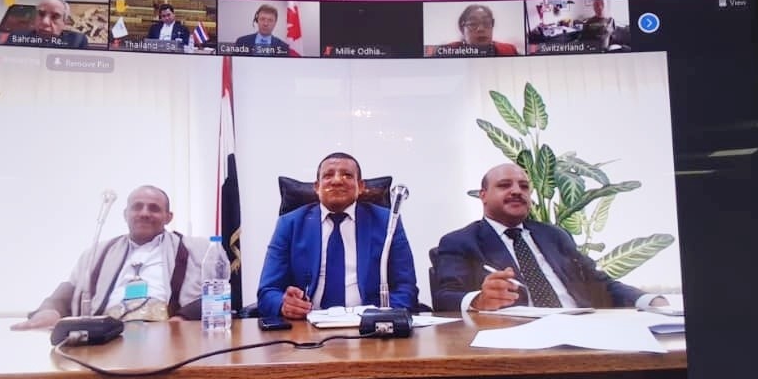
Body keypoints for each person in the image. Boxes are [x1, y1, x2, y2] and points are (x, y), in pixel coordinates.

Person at [434, 163, 668, 312]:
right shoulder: (460, 242)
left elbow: (598, 282)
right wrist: (479, 300)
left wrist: (648, 301)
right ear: (483, 195)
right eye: (505, 185)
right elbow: (444, 297)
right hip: (516, 337)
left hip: (582, 326)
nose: (516, 191)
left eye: (524, 186)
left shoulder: (555, 235)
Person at [11, 185, 211, 330]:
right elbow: (70, 290)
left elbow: (222, 294)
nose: (144, 213)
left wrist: (182, 319)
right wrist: (50, 311)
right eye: (137, 207)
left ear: (168, 217)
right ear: (125, 214)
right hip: (108, 336)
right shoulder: (98, 252)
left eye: (154, 208)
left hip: (168, 335)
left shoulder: (199, 249)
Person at [257, 152, 419, 319]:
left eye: (347, 175)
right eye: (328, 175)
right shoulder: (290, 224)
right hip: (307, 326)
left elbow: (406, 288)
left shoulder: (387, 222)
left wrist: (382, 318)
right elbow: (267, 292)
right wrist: (284, 304)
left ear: (360, 186)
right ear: (317, 187)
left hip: (369, 325)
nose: (337, 181)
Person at [5, 0, 89, 49]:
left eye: (55, 16)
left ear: (64, 22)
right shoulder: (17, 37)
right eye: (41, 14)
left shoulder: (77, 40)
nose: (45, 22)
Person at [442, 4, 520, 56]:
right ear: (462, 29)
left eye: (486, 22)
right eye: (473, 24)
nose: (481, 29)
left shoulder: (509, 50)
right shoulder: (448, 51)